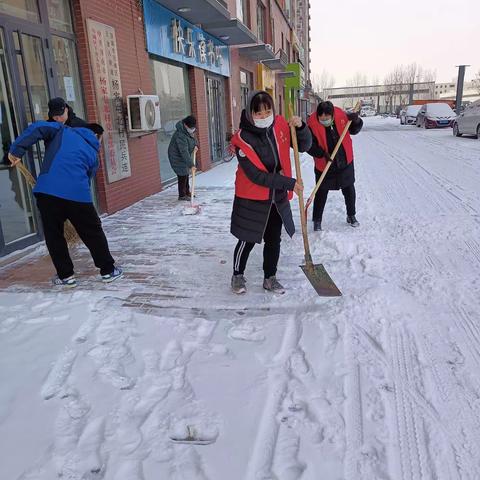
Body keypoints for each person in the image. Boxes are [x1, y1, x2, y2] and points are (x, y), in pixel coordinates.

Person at [8, 120, 122, 288]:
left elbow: (37, 128)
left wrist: (16, 151)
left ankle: (66, 276)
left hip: (47, 193)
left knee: (54, 235)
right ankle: (108, 270)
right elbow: (88, 177)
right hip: (77, 196)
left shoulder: (61, 131)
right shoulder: (92, 152)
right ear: (96, 136)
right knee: (93, 233)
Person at [230, 90, 312, 295]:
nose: (264, 116)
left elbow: (304, 145)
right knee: (247, 239)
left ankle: (270, 278)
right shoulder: (242, 140)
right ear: (250, 113)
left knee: (274, 239)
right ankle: (237, 275)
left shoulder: (281, 125)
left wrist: (301, 128)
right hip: (252, 197)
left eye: (268, 111)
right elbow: (257, 176)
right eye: (259, 113)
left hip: (276, 196)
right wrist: (288, 182)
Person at [307, 101, 363, 231]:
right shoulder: (311, 123)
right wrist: (321, 153)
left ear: (332, 115)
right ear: (318, 116)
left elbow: (354, 130)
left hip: (345, 161)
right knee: (321, 192)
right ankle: (317, 220)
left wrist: (356, 121)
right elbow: (309, 145)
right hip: (324, 163)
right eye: (322, 118)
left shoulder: (341, 115)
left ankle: (351, 215)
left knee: (349, 189)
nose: (325, 120)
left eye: (327, 118)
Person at [168, 115, 198, 201]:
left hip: (183, 156)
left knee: (186, 173)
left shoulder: (187, 132)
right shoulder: (180, 135)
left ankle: (187, 192)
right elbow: (183, 151)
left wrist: (196, 145)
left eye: (193, 127)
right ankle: (182, 195)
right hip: (177, 156)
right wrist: (191, 165)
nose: (192, 129)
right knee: (182, 175)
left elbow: (193, 139)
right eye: (191, 127)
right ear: (185, 125)